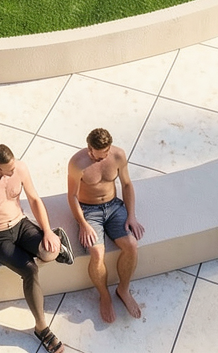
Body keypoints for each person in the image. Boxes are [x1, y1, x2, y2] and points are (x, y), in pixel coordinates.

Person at [0, 144, 74, 353]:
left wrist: (47, 231)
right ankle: (41, 328)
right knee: (30, 270)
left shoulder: (20, 168)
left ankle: (57, 238)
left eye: (13, 166)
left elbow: (34, 199)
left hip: (21, 223)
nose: (13, 171)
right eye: (8, 170)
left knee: (50, 252)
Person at [67, 127, 145, 323]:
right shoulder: (77, 163)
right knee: (97, 253)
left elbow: (126, 184)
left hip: (114, 206)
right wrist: (83, 224)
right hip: (89, 211)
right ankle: (104, 295)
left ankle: (123, 290)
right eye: (98, 156)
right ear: (89, 149)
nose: (102, 158)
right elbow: (72, 196)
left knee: (132, 245)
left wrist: (131, 216)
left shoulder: (118, 155)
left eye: (106, 153)